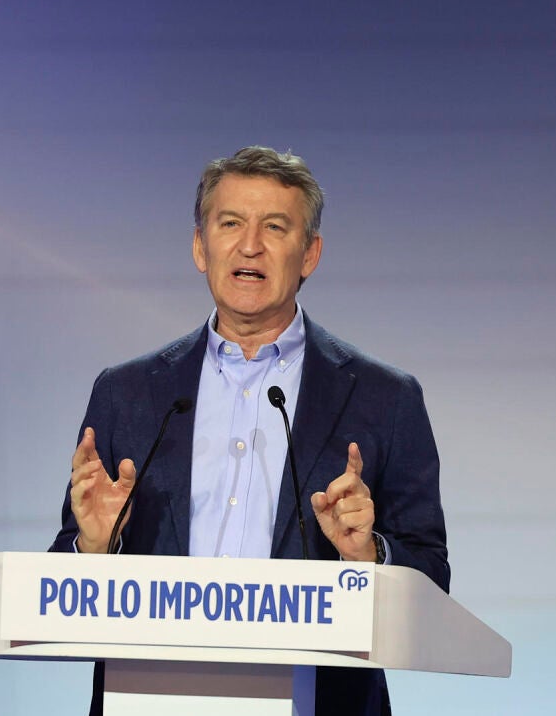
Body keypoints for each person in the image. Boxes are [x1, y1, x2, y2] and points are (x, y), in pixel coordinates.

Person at [50, 146, 448, 716]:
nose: (250, 245)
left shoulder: (384, 397)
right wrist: (94, 544)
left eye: (275, 227)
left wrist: (369, 556)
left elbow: (431, 574)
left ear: (309, 253)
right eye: (230, 223)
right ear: (199, 245)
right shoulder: (126, 393)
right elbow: (63, 566)